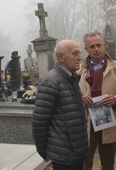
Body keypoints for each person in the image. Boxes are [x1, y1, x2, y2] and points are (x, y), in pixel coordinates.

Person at [31, 39, 88, 170]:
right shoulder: (51, 82)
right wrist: (43, 151)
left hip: (74, 152)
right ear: (61, 57)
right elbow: (39, 122)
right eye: (75, 54)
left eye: (79, 53)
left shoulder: (70, 78)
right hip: (64, 156)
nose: (79, 57)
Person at [77, 31, 116, 170]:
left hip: (109, 122)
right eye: (92, 46)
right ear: (86, 49)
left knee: (108, 165)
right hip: (86, 123)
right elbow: (71, 93)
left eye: (99, 45)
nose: (96, 49)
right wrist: (81, 97)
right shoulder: (79, 71)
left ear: (104, 45)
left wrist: (115, 99)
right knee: (85, 164)